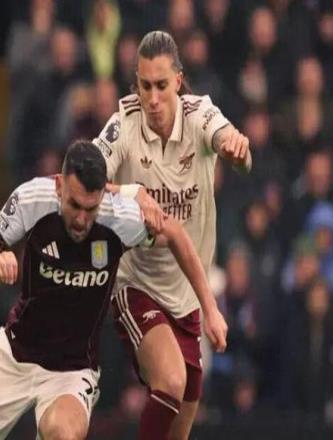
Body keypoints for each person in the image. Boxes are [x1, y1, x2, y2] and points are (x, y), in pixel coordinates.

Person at [0, 140, 227, 440]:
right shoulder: (33, 199)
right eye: (74, 205)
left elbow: (177, 235)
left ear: (103, 196)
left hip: (72, 371)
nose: (81, 219)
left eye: (90, 209)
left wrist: (210, 309)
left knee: (62, 434)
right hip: (15, 353)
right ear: (59, 186)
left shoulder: (121, 218)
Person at [93, 30, 251, 439]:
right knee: (171, 381)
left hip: (187, 292)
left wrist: (237, 149)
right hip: (135, 284)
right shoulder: (122, 125)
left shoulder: (201, 115)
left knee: (178, 428)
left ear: (178, 81)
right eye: (145, 86)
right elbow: (79, 180)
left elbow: (235, 149)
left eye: (161, 85)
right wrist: (130, 191)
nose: (153, 98)